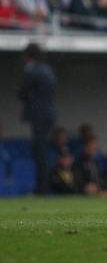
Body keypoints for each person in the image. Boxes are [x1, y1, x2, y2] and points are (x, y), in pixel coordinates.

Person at [17, 43, 57, 194]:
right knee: (42, 151)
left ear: (29, 56)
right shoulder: (48, 69)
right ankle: (43, 186)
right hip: (48, 113)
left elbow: (22, 92)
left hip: (39, 114)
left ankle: (42, 188)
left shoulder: (32, 70)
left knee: (40, 152)